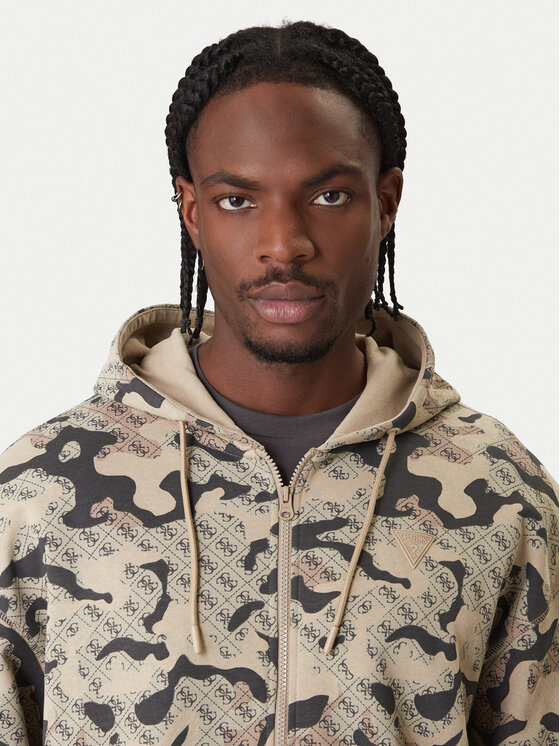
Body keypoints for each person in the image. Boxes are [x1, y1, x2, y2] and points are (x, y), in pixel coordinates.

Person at [0, 19, 557, 746]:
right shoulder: (40, 493)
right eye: (238, 200)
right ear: (192, 211)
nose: (283, 245)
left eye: (329, 197)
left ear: (386, 202)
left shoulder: (501, 491)